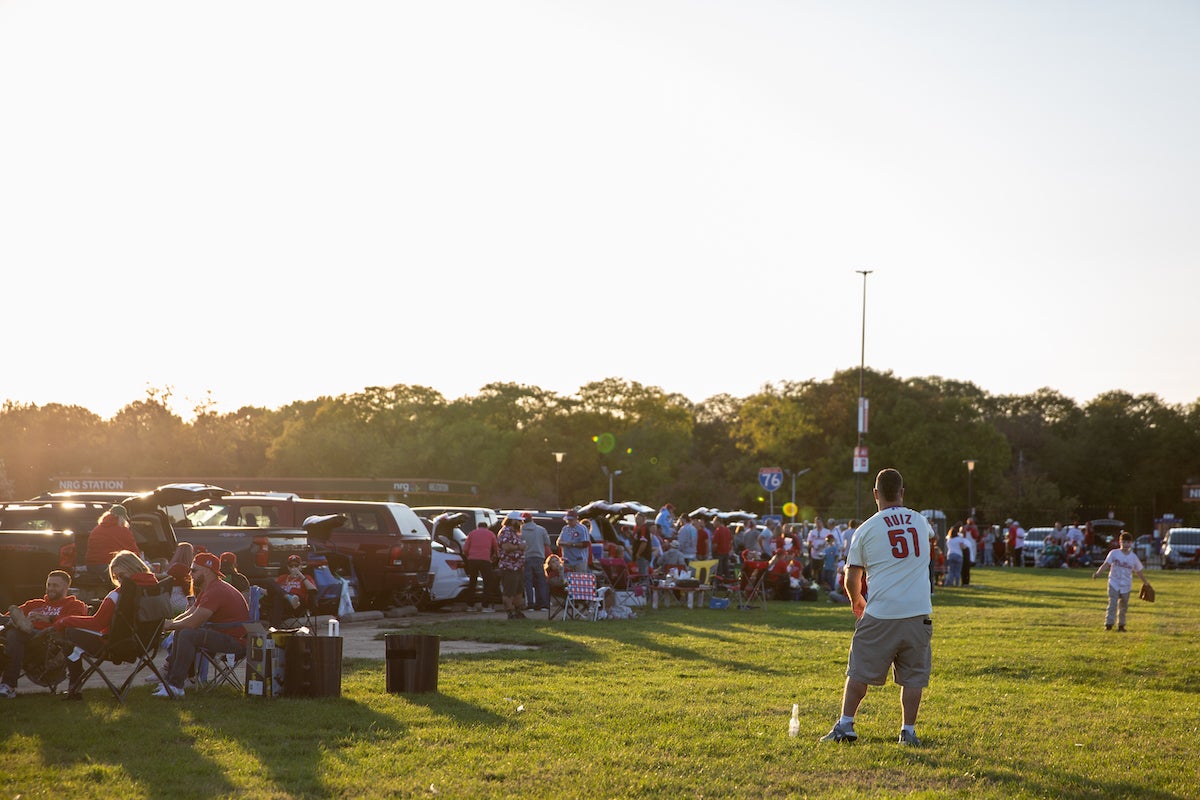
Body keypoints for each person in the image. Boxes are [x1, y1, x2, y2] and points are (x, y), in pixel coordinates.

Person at [821, 468, 933, 747]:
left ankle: (846, 724)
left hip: (882, 610)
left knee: (859, 670)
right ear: (902, 493)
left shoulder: (867, 528)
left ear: (875, 494)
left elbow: (851, 575)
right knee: (913, 677)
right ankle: (908, 730)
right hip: (918, 611)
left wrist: (856, 599)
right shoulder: (920, 521)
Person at [52, 551, 158, 700]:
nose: (119, 580)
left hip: (117, 646)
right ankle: (74, 680)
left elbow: (96, 623)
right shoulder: (155, 589)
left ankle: (74, 684)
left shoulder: (119, 595)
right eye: (116, 577)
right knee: (72, 636)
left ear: (133, 569)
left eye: (121, 575)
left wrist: (64, 620)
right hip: (147, 644)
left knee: (69, 632)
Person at [155, 552, 250, 698]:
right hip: (225, 635)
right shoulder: (209, 589)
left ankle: (176, 685)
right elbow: (189, 614)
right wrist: (170, 623)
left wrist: (168, 626)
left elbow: (194, 622)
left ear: (206, 571)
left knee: (187, 633)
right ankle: (171, 683)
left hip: (237, 643)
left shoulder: (216, 591)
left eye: (193, 570)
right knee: (182, 631)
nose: (190, 573)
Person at [1, 570, 88, 698]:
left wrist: (49, 619)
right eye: (49, 585)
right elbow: (9, 616)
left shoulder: (75, 605)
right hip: (21, 642)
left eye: (55, 586)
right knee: (9, 626)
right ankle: (21, 624)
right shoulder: (35, 604)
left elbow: (74, 623)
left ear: (66, 588)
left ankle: (8, 686)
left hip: (47, 642)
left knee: (15, 633)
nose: (51, 588)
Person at [1092, 532, 1152, 632]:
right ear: (1120, 542)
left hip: (1126, 584)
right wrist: (1098, 573)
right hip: (1114, 582)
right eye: (1123, 542)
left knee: (1123, 606)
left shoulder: (1133, 557)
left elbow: (1139, 571)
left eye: (1128, 542)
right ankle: (1109, 624)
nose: (1125, 545)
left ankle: (1121, 625)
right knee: (1112, 603)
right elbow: (1106, 564)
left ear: (1131, 543)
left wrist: (1145, 583)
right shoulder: (1114, 553)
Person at [84, 504, 140, 573]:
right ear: (122, 518)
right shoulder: (122, 530)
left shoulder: (97, 529)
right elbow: (133, 551)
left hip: (91, 566)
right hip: (108, 567)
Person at [463, 520, 499, 613]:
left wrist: (468, 556)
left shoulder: (471, 533)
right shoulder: (490, 534)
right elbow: (496, 547)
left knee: (472, 582)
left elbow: (465, 548)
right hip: (485, 560)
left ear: (477, 527)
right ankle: (485, 606)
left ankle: (470, 606)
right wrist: (495, 556)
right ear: (486, 527)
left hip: (472, 560)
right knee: (487, 582)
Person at [496, 512, 526, 619]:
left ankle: (518, 611)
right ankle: (510, 612)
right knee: (509, 592)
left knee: (518, 591)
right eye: (519, 521)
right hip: (509, 567)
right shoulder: (506, 532)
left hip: (518, 566)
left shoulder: (514, 532)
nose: (521, 522)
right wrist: (519, 547)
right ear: (512, 521)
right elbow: (506, 546)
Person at [520, 512, 552, 611]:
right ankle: (543, 604)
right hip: (539, 556)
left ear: (522, 520)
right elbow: (548, 542)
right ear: (532, 519)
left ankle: (530, 604)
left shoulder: (520, 531)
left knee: (528, 582)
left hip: (526, 557)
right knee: (541, 581)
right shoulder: (541, 529)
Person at [275, 554, 317, 618]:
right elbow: (274, 589)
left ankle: (274, 625)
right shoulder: (282, 577)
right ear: (288, 567)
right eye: (291, 566)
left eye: (296, 566)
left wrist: (300, 575)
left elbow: (313, 590)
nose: (293, 568)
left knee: (280, 599)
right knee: (269, 583)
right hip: (281, 600)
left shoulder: (306, 577)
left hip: (297, 603)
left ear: (301, 566)